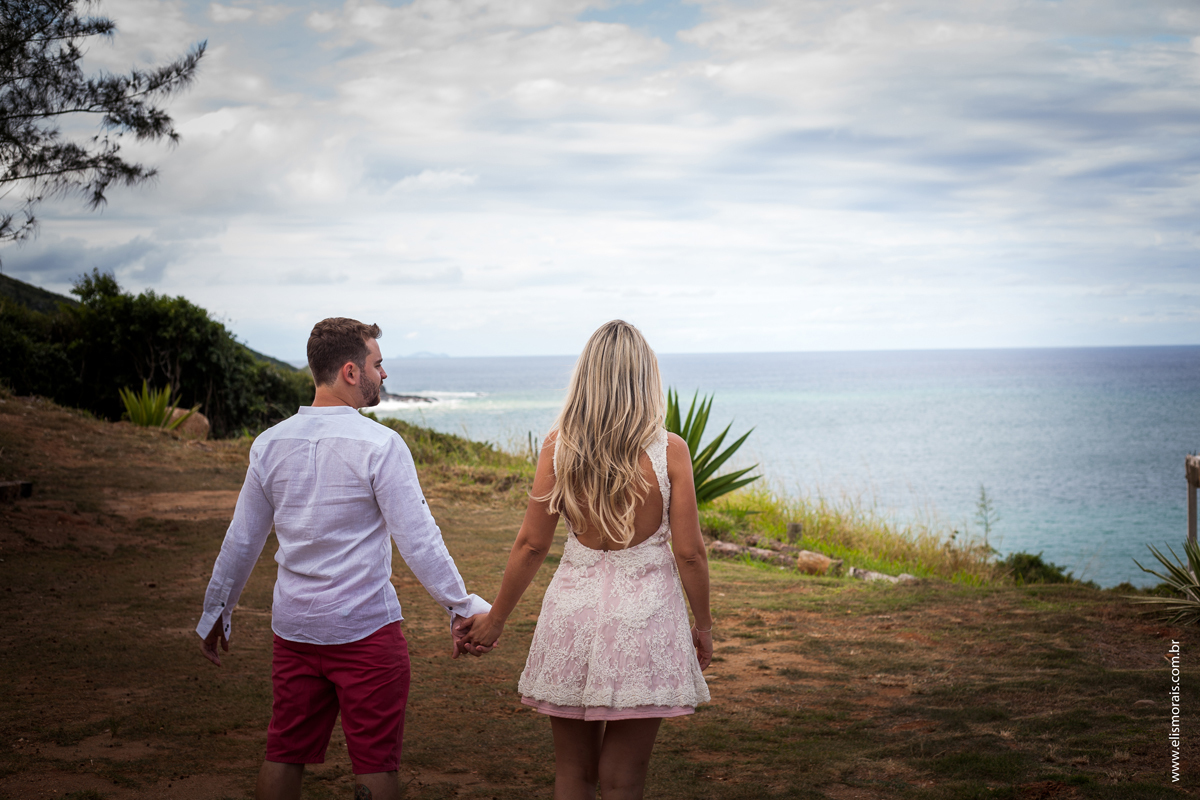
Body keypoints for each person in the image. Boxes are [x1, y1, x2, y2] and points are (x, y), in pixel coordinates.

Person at [196, 317, 492, 800]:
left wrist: (216, 611)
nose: (385, 374)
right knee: (374, 763)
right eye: (379, 364)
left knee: (284, 752)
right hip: (367, 635)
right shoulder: (381, 445)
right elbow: (419, 540)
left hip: (294, 632)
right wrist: (461, 606)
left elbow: (242, 539)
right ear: (352, 372)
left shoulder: (268, 445)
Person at [461, 319, 713, 800]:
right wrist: (702, 626)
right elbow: (690, 553)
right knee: (624, 780)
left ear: (587, 378)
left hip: (571, 619)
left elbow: (531, 545)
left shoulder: (560, 446)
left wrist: (496, 618)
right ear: (645, 378)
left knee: (573, 774)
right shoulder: (670, 451)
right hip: (645, 623)